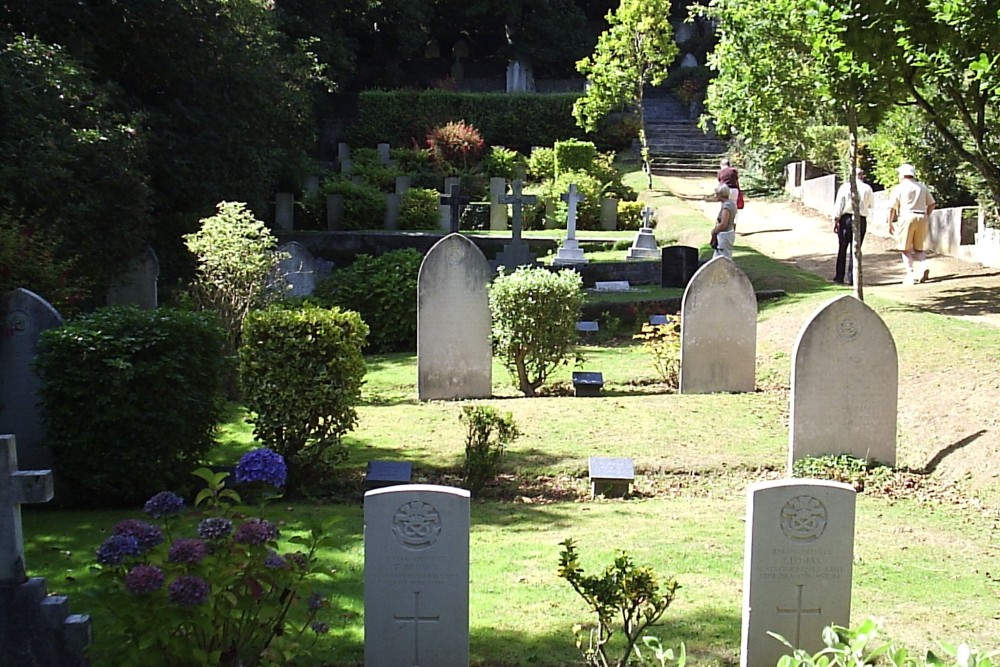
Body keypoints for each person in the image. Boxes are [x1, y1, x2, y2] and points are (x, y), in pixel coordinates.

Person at [887, 163, 936, 284]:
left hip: (907, 216)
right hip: (921, 215)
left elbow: (891, 208)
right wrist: (927, 215)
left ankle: (910, 274)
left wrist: (890, 223)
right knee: (919, 248)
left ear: (903, 175)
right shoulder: (922, 187)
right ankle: (924, 266)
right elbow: (932, 204)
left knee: (905, 249)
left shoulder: (899, 188)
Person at [831, 168, 874, 285]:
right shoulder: (867, 188)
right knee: (855, 249)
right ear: (862, 175)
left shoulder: (845, 187)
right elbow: (870, 205)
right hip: (861, 218)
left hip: (846, 219)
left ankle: (839, 276)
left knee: (842, 248)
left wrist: (836, 219)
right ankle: (853, 278)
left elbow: (839, 204)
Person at [710, 183, 737, 259]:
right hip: (728, 234)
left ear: (721, 194)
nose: (715, 196)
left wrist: (714, 231)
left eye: (717, 194)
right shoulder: (732, 203)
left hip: (724, 236)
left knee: (723, 259)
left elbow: (723, 224)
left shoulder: (727, 206)